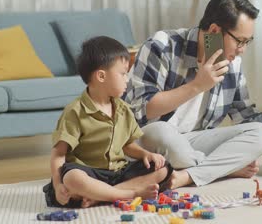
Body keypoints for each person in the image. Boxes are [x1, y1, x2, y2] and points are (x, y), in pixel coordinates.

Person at [126, 0, 262, 189]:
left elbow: (248, 115)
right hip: (149, 137)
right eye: (240, 41)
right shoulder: (163, 44)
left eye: (247, 42)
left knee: (260, 134)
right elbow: (143, 108)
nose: (242, 49)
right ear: (215, 30)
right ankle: (221, 167)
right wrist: (197, 85)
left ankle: (186, 175)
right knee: (163, 133)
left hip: (192, 142)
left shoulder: (233, 64)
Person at [43, 36, 173, 208]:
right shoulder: (75, 112)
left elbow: (127, 146)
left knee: (163, 169)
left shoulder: (123, 109)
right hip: (88, 173)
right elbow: (59, 154)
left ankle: (99, 196)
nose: (127, 79)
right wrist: (59, 185)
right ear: (101, 76)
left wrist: (145, 155)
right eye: (123, 74)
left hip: (118, 173)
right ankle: (128, 193)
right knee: (72, 179)